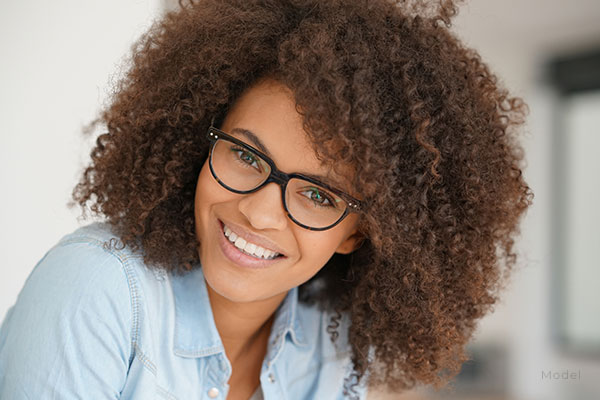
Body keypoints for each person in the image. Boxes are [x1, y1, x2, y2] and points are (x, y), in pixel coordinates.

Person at [0, 0, 533, 399]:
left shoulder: (333, 338)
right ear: (201, 140)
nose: (257, 212)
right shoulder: (100, 288)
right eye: (247, 158)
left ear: (358, 232)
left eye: (318, 196)